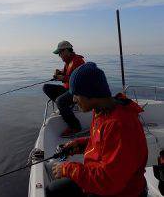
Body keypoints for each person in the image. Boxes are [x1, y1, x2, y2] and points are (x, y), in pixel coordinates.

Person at [46, 62, 148, 197]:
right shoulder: (101, 111)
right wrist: (81, 144)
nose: (74, 100)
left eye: (76, 94)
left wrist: (68, 169)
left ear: (91, 94)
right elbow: (103, 143)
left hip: (122, 192)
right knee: (53, 189)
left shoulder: (119, 125)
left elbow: (109, 182)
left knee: (55, 191)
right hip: (103, 181)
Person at [43, 40, 85, 137]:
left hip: (77, 92)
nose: (59, 55)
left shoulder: (78, 61)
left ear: (66, 50)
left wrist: (63, 78)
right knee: (46, 87)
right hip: (68, 90)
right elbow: (67, 73)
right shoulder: (68, 62)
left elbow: (80, 80)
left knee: (60, 101)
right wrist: (59, 73)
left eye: (60, 52)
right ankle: (68, 107)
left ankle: (75, 127)